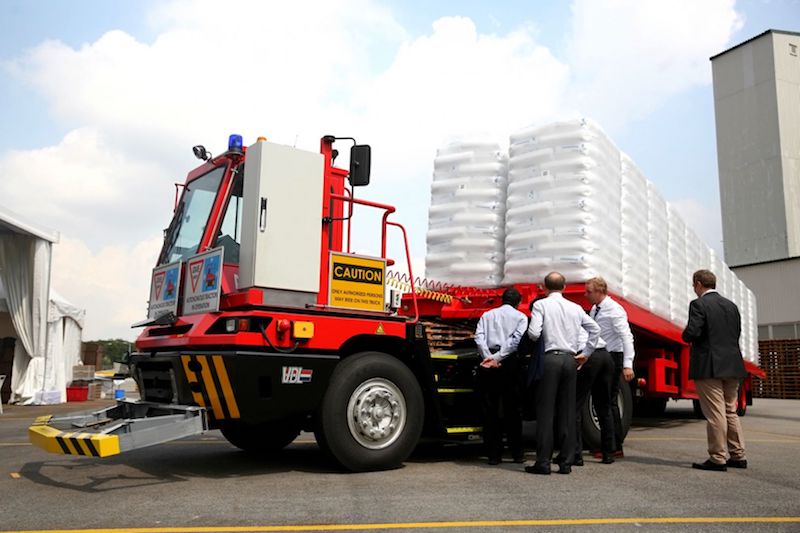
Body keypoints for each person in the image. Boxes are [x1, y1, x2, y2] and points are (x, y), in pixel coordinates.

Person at [525, 272, 600, 475]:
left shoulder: (541, 305)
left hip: (550, 359)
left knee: (546, 411)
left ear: (544, 287)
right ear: (565, 286)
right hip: (570, 360)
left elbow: (533, 333)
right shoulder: (575, 308)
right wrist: (586, 352)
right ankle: (566, 462)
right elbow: (595, 329)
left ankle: (543, 461)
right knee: (567, 411)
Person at [682, 269, 748, 472]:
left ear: (699, 284)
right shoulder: (731, 306)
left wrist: (685, 334)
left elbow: (692, 332)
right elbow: (736, 332)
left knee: (715, 412)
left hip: (709, 364)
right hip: (733, 364)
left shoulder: (699, 304)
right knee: (730, 410)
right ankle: (738, 455)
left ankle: (718, 457)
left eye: (694, 285)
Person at [474, 287, 528, 465]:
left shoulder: (487, 315)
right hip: (510, 363)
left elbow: (479, 337)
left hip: (487, 363)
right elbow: (515, 341)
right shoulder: (521, 318)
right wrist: (498, 357)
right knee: (513, 409)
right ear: (519, 302)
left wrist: (488, 357)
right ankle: (517, 453)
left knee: (490, 410)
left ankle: (493, 455)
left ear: (501, 300)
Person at [584, 276, 636, 458]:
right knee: (604, 400)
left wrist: (628, 365)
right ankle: (611, 444)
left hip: (613, 356)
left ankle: (614, 445)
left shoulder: (614, 310)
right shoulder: (594, 309)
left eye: (589, 292)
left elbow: (626, 336)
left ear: (599, 291)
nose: (586, 295)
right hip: (601, 355)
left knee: (609, 401)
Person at [573, 327, 615, 465]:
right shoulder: (578, 316)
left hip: (588, 355)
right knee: (604, 407)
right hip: (604, 354)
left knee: (575, 406)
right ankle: (608, 453)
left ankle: (576, 455)